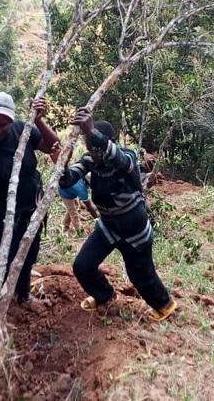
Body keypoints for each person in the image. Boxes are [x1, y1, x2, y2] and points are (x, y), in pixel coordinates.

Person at [58, 107, 177, 322]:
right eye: (90, 148)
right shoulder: (91, 160)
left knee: (141, 276)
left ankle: (165, 306)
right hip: (108, 227)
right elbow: (67, 179)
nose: (95, 153)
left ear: (110, 140)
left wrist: (91, 131)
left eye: (97, 147)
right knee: (82, 266)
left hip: (134, 231)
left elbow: (119, 158)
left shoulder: (128, 157)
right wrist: (61, 163)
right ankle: (106, 296)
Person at [0, 92, 60, 311]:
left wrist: (39, 120)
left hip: (29, 210)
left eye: (2, 124)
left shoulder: (22, 130)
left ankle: (23, 296)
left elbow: (52, 146)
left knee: (26, 255)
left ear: (11, 119)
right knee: (1, 262)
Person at [50, 142, 99, 232]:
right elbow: (89, 207)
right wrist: (97, 218)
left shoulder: (80, 180)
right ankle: (80, 232)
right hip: (65, 193)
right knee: (73, 213)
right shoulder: (81, 188)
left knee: (71, 209)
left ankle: (64, 226)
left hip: (70, 191)